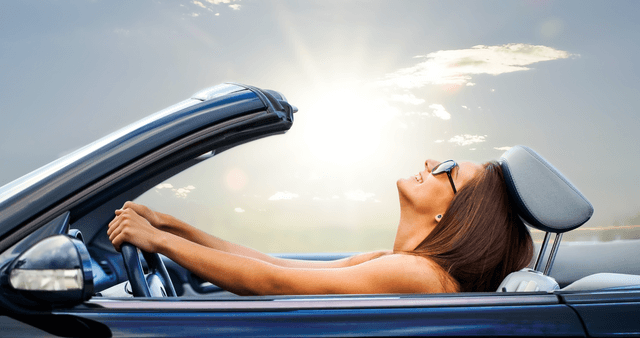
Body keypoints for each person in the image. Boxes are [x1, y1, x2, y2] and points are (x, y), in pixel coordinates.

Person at [108, 159, 533, 295]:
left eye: (447, 169)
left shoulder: (420, 275)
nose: (430, 162)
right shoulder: (398, 263)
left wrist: (160, 242)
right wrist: (169, 226)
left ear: (453, 216)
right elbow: (273, 264)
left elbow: (273, 283)